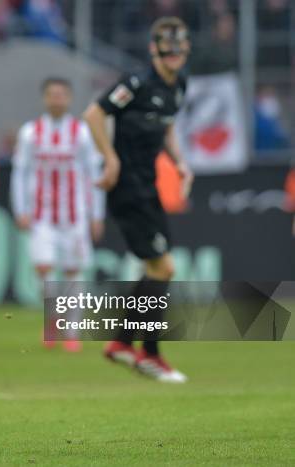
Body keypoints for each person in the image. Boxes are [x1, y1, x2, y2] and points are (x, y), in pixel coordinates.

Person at [84, 17, 193, 383]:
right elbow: (94, 113)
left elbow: (167, 125)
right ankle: (148, 353)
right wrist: (110, 158)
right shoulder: (136, 82)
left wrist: (179, 162)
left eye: (179, 47)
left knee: (157, 269)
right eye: (167, 47)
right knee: (164, 269)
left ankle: (123, 344)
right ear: (154, 48)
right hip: (127, 186)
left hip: (149, 186)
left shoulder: (179, 85)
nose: (174, 54)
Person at [11, 77, 105, 352]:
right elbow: (20, 172)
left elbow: (94, 174)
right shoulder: (31, 132)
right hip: (42, 216)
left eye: (62, 94)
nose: (57, 99)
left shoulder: (82, 132)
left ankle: (72, 330)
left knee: (74, 272)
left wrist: (96, 214)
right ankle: (53, 320)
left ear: (69, 98)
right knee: (43, 269)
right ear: (45, 99)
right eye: (52, 94)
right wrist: (21, 209)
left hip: (75, 216)